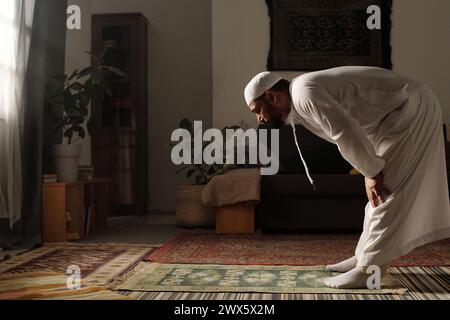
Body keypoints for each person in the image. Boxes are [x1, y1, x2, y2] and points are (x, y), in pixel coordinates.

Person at [244, 66, 450, 289]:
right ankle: (364, 257)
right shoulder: (300, 96)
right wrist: (369, 170)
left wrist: (371, 172)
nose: (259, 119)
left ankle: (368, 270)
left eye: (257, 110)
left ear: (271, 96)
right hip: (397, 115)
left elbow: (345, 131)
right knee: (379, 193)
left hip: (410, 108)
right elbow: (352, 127)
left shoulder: (304, 93)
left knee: (386, 191)